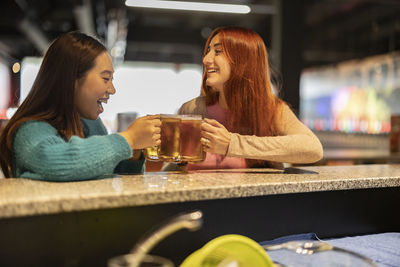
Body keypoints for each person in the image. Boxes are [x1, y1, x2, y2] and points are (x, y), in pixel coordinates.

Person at [0, 32, 161, 181]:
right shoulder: (30, 130)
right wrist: (130, 138)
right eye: (106, 78)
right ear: (71, 80)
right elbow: (56, 164)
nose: (112, 90)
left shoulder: (92, 124)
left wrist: (134, 151)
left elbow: (111, 172)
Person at [176, 27, 323, 170]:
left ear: (243, 61)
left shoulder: (273, 111)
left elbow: (313, 149)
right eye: (208, 51)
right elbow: (176, 167)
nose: (206, 59)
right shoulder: (192, 109)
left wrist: (231, 144)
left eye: (218, 51)